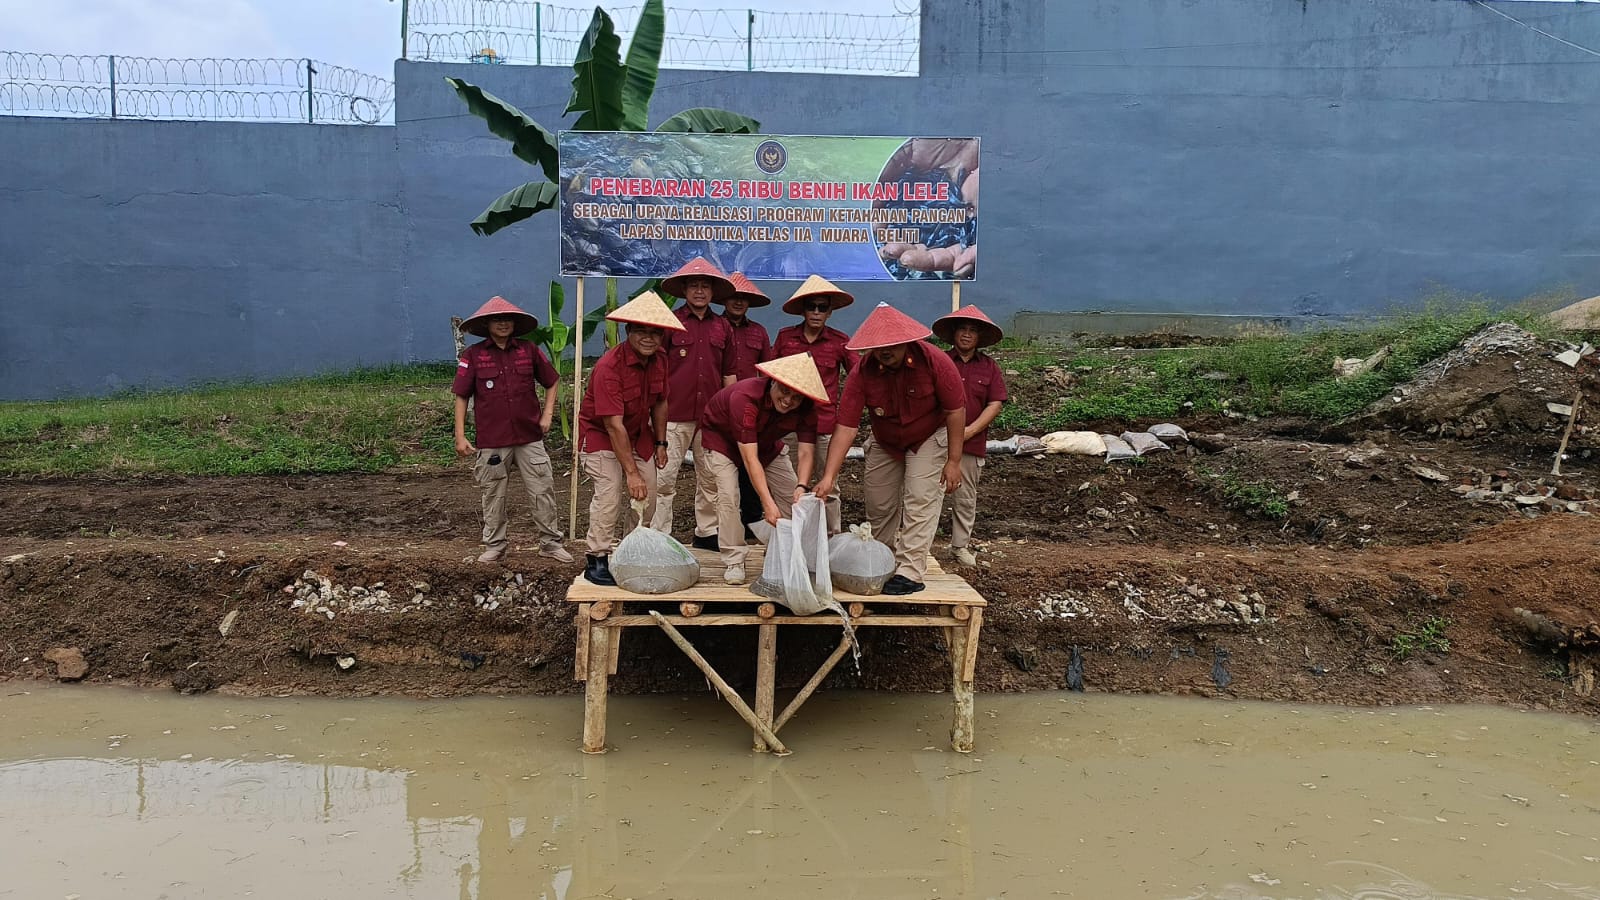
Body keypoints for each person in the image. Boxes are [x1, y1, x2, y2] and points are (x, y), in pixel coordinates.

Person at [812, 302, 965, 595]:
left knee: (920, 498)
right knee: (879, 504)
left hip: (928, 436)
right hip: (886, 440)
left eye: (892, 345)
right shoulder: (863, 372)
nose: (886, 350)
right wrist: (829, 476)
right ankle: (880, 562)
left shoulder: (934, 361)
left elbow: (956, 410)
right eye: (879, 345)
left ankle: (910, 570)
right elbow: (846, 425)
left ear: (906, 342)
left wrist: (954, 460)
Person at [452, 296, 572, 565]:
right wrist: (460, 436)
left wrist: (548, 414)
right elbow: (461, 396)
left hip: (529, 436)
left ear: (515, 324)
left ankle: (550, 543)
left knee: (543, 490)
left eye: (507, 319)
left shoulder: (528, 350)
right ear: (486, 324)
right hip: (492, 440)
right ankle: (495, 545)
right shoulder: (474, 355)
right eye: (497, 319)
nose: (503, 323)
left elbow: (552, 381)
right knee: (493, 494)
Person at [575, 291, 683, 586]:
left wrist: (661, 443)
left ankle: (630, 549)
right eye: (641, 331)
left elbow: (661, 401)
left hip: (638, 434)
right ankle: (596, 558)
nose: (648, 338)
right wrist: (631, 473)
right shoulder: (609, 368)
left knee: (647, 496)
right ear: (628, 332)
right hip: (601, 435)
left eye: (655, 332)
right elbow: (612, 425)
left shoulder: (660, 359)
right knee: (610, 493)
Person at [697, 353, 829, 584]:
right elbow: (749, 459)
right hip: (722, 441)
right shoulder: (745, 397)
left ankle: (786, 551)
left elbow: (806, 452)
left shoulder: (808, 409)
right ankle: (734, 559)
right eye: (785, 392)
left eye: (796, 398)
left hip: (766, 443)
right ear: (773, 382)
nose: (788, 401)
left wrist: (801, 485)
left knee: (794, 497)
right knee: (729, 495)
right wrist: (767, 504)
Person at [644, 257, 738, 548]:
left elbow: (729, 374)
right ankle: (659, 535)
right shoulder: (670, 323)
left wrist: (730, 416)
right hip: (672, 415)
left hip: (710, 417)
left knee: (709, 477)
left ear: (712, 292)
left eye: (705, 286)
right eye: (694, 285)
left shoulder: (723, 327)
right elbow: (655, 370)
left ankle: (707, 532)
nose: (699, 291)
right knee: (664, 477)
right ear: (684, 290)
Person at [769, 275, 858, 534]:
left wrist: (847, 413)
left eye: (822, 307)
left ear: (830, 312)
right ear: (803, 310)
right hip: (787, 424)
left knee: (828, 484)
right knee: (789, 482)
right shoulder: (786, 338)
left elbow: (858, 378)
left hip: (824, 425)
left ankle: (831, 538)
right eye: (811, 306)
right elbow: (769, 377)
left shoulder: (840, 341)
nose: (816, 312)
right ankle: (790, 534)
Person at [932, 305, 1009, 567]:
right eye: (962, 329)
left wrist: (970, 431)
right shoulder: (939, 361)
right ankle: (921, 546)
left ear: (979, 337)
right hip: (936, 440)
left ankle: (959, 547)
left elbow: (996, 403)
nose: (966, 334)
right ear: (954, 334)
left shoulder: (989, 367)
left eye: (972, 331)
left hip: (971, 442)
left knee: (965, 497)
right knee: (927, 494)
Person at [723, 272, 773, 381]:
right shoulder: (714, 327)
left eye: (744, 298)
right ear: (724, 299)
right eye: (734, 296)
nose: (739, 302)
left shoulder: (759, 331)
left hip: (749, 394)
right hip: (716, 394)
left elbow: (765, 371)